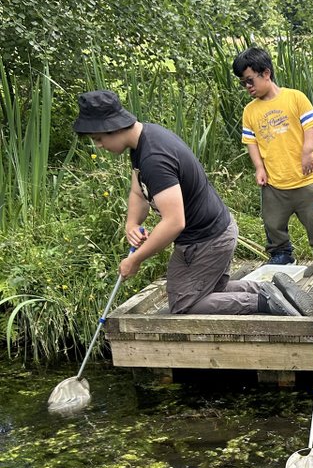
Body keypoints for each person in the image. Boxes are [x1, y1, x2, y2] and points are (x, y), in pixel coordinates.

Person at [72, 90, 299, 316]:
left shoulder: (154, 158)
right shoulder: (142, 140)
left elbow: (174, 222)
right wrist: (131, 223)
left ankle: (264, 301)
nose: (99, 146)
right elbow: (137, 191)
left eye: (99, 139)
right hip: (212, 233)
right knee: (208, 289)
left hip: (207, 240)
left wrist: (135, 259)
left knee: (184, 304)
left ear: (113, 127)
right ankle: (268, 289)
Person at [232, 46, 313, 273]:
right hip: (274, 181)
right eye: (243, 83)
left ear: (266, 73)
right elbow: (251, 143)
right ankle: (281, 254)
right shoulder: (250, 111)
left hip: (304, 178)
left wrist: (307, 152)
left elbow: (311, 127)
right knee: (272, 221)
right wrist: (259, 168)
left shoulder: (295, 98)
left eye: (250, 80)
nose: (247, 87)